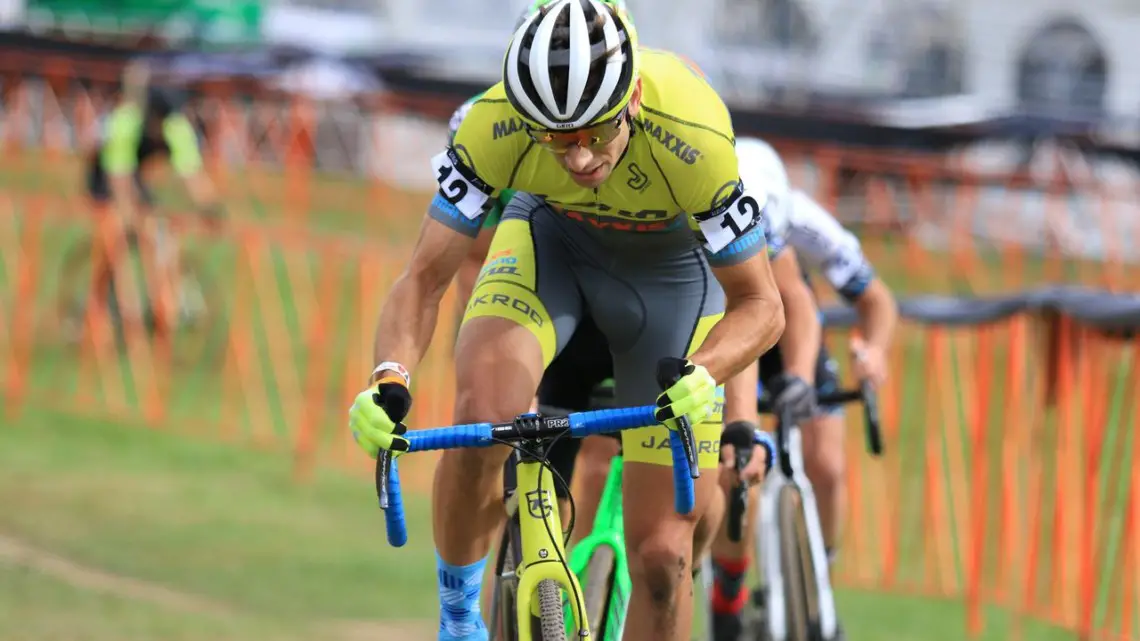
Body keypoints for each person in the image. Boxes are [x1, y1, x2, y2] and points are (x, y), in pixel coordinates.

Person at [346, 2, 787, 639]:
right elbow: (423, 279)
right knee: (481, 417)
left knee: (664, 559)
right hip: (551, 244)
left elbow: (763, 305)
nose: (578, 159)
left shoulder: (693, 132)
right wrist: (388, 380)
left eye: (594, 135)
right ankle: (460, 620)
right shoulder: (494, 126)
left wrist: (705, 373)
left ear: (632, 98)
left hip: (670, 279)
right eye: (555, 140)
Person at [707, 137, 899, 641]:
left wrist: (867, 354)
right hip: (720, 321)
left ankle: (819, 571)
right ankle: (728, 587)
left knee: (827, 462)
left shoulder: (795, 218)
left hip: (787, 323)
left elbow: (861, 301)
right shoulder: (707, 203)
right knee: (735, 468)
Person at [85, 60, 223, 325]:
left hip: (135, 177)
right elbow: (117, 175)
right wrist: (127, 213)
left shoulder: (176, 125)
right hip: (104, 175)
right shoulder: (126, 122)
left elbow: (192, 174)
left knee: (158, 239)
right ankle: (102, 309)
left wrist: (211, 208)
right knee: (115, 240)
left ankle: (160, 309)